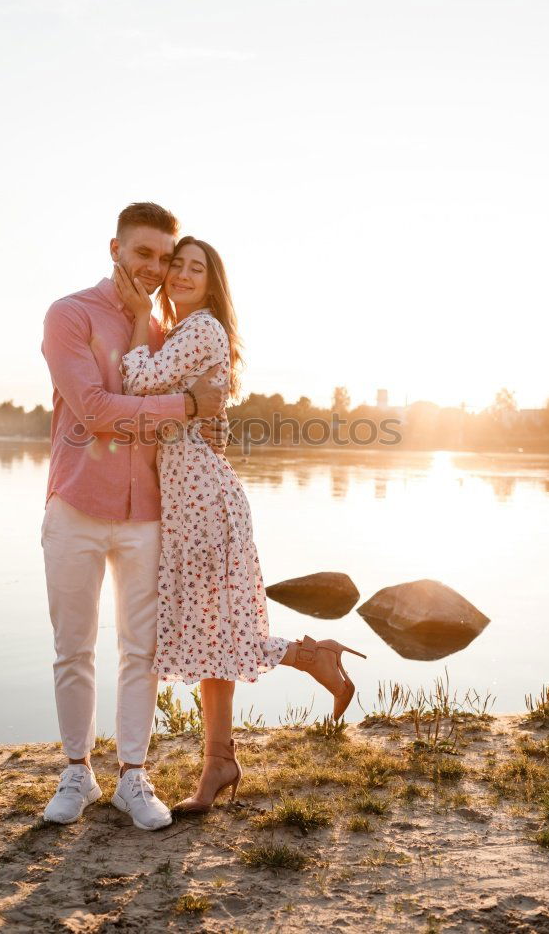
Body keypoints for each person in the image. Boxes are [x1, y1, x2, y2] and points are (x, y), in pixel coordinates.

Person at [114, 235, 366, 814]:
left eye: (193, 269)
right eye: (176, 265)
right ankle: (223, 757)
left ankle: (307, 662)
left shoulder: (200, 328)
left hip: (204, 499)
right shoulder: (186, 333)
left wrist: (136, 315)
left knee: (214, 635)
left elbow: (134, 384)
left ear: (210, 284)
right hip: (192, 498)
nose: (179, 274)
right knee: (210, 634)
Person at [40, 203, 228, 831]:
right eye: (143, 254)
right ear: (115, 248)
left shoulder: (167, 330)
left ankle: (132, 776)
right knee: (74, 647)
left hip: (150, 512)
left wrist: (208, 414)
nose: (154, 268)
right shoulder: (69, 315)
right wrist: (188, 404)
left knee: (141, 650)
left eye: (164, 258)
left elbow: (209, 401)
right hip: (76, 503)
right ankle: (75, 770)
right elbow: (93, 410)